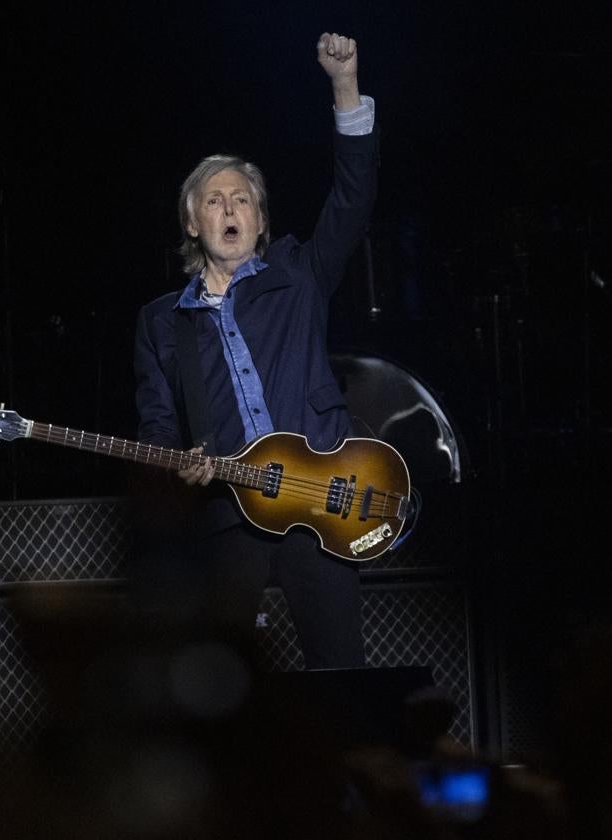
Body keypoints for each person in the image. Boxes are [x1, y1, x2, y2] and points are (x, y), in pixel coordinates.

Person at [132, 32, 377, 669]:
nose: (230, 207)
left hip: (323, 501)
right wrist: (174, 464)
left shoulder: (299, 277)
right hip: (228, 515)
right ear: (192, 222)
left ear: (261, 221)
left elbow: (351, 202)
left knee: (341, 675)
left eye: (242, 198)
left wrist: (343, 86)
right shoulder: (163, 322)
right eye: (214, 199)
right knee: (223, 685)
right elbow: (157, 425)